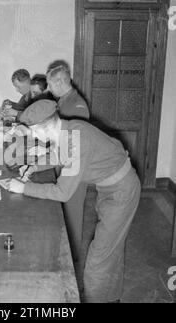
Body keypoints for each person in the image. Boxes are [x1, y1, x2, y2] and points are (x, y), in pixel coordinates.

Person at [9, 100, 141, 303]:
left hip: (121, 192)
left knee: (99, 259)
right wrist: (34, 167)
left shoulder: (77, 139)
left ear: (46, 127)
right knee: (110, 250)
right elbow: (58, 156)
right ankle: (111, 298)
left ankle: (98, 298)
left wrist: (24, 187)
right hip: (108, 189)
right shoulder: (68, 130)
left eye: (34, 132)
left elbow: (62, 193)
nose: (34, 137)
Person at [46, 61, 90, 285]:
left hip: (72, 169)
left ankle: (72, 263)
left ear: (61, 82)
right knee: (63, 212)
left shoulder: (77, 105)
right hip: (62, 164)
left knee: (72, 215)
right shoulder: (63, 100)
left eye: (50, 84)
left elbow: (75, 142)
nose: (49, 88)